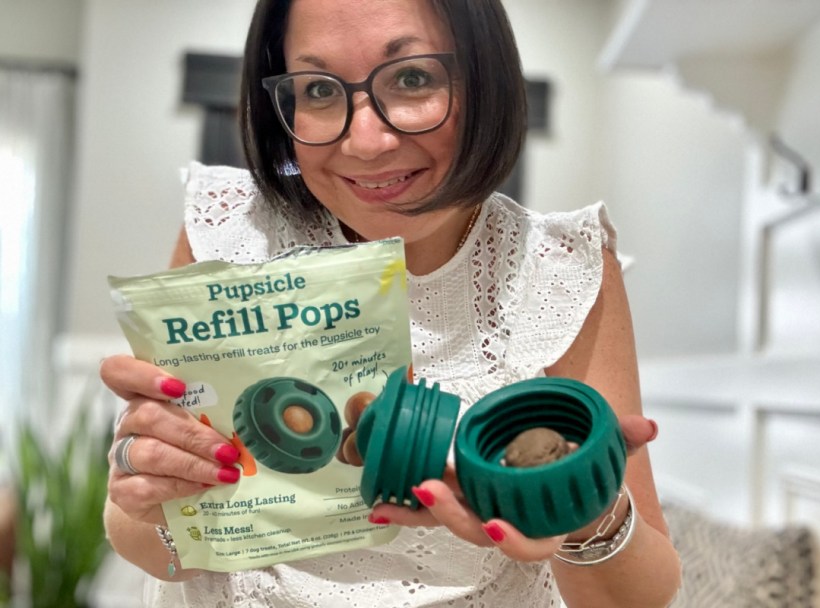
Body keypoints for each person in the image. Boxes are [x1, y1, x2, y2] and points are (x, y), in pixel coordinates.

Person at [100, 0, 682, 606]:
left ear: (488, 83)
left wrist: (581, 509)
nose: (367, 142)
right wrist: (150, 488)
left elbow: (639, 597)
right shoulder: (230, 231)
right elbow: (151, 548)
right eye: (320, 88)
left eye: (412, 78)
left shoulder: (560, 270)